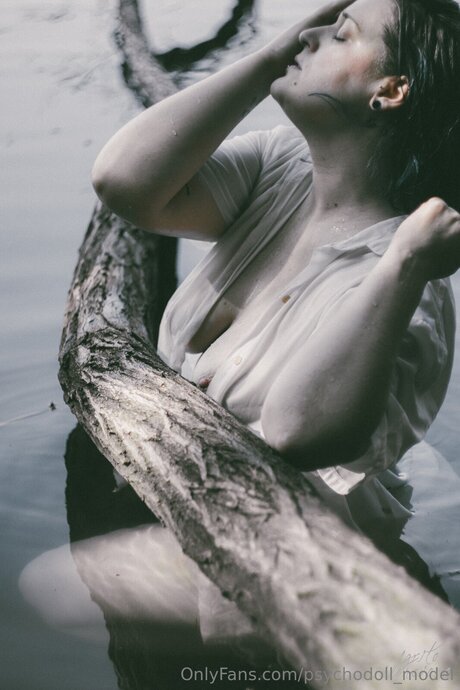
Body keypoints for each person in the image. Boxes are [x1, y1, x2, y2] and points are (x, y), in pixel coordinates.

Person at [90, 0, 460, 641]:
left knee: (41, 589)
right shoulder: (279, 165)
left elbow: (296, 432)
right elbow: (123, 183)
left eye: (341, 33)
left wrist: (402, 266)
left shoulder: (409, 278)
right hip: (199, 505)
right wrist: (267, 60)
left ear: (391, 90)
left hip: (300, 559)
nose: (307, 35)